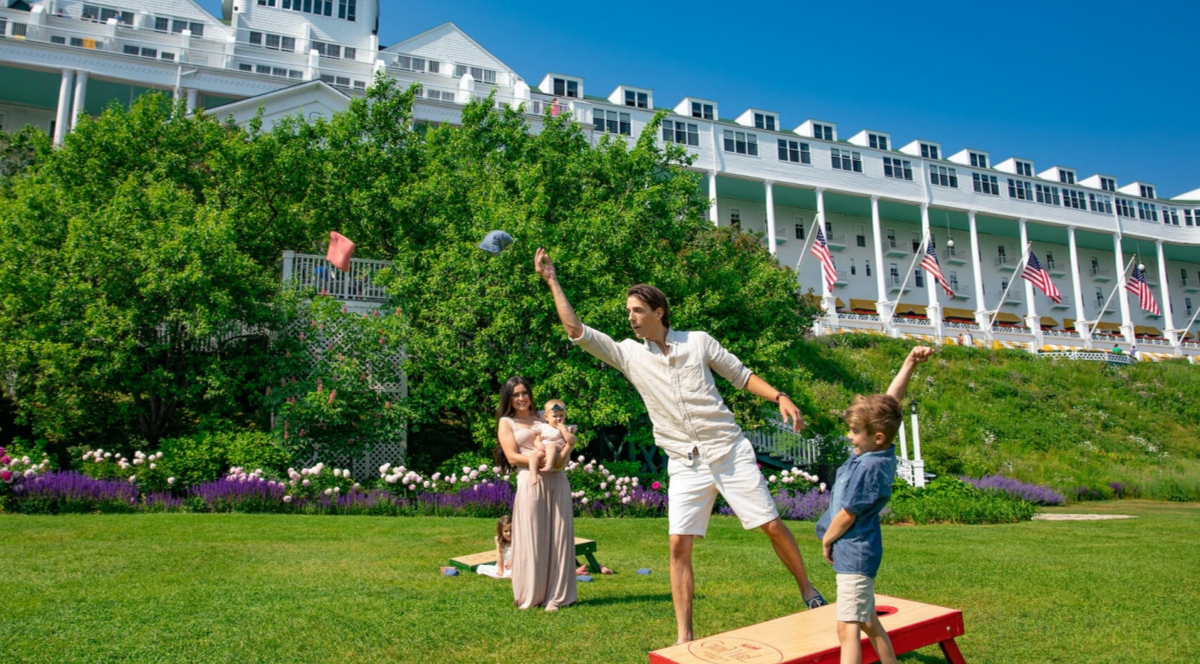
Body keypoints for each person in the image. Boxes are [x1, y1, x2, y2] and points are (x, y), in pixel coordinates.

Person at [534, 248, 826, 645]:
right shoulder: (628, 354)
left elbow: (741, 376)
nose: (631, 317)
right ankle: (684, 637)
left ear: (659, 312)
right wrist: (552, 281)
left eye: (637, 310)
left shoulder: (698, 343)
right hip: (685, 463)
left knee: (771, 525)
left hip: (728, 450)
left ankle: (808, 590)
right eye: (628, 311)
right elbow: (577, 331)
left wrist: (780, 396)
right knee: (678, 545)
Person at [815, 346, 935, 664]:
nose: (850, 436)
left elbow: (848, 513)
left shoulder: (870, 467)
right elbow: (890, 403)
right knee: (868, 620)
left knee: (848, 628)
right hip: (856, 552)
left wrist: (827, 539)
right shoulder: (874, 450)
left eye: (855, 432)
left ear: (878, 437)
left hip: (854, 553)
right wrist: (909, 363)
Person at [493, 376, 578, 611]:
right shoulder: (506, 422)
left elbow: (565, 441)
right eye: (515, 395)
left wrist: (563, 454)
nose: (521, 398)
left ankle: (558, 596)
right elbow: (512, 457)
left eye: (524, 393)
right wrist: (539, 460)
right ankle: (532, 594)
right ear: (508, 398)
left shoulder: (544, 416)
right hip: (530, 480)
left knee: (559, 536)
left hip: (557, 479)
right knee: (532, 537)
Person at [525, 399, 571, 486]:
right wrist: (538, 445)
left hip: (558, 448)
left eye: (561, 416)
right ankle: (533, 475)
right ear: (546, 417)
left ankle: (549, 465)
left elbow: (570, 441)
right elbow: (537, 439)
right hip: (545, 449)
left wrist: (564, 430)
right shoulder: (543, 428)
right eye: (555, 416)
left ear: (565, 415)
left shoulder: (565, 428)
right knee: (533, 454)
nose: (558, 419)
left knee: (551, 446)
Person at [477, 515, 514, 579]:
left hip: (515, 565)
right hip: (503, 565)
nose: (509, 533)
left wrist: (513, 564)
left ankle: (508, 575)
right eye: (506, 531)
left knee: (512, 573)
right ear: (501, 531)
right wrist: (500, 571)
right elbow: (499, 556)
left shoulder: (519, 542)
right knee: (481, 568)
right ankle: (503, 576)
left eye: (511, 531)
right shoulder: (499, 540)